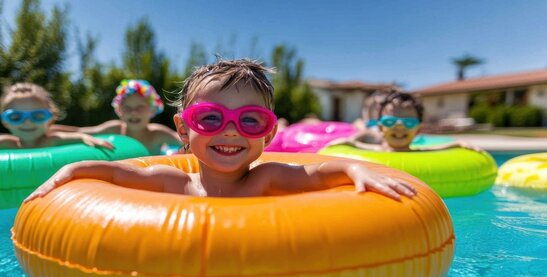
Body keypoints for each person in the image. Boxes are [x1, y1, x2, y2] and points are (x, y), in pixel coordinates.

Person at [26, 59, 415, 202]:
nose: (230, 133)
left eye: (249, 121)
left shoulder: (267, 178)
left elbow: (321, 170)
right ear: (182, 129)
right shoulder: (171, 183)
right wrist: (68, 171)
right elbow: (113, 172)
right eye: (210, 118)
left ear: (267, 134)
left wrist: (357, 169)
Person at [0, 83, 114, 156]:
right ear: (5, 121)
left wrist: (87, 138)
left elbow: (78, 137)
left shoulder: (52, 140)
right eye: (16, 117)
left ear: (50, 119)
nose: (27, 123)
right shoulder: (10, 143)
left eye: (37, 116)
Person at [50, 79, 182, 155]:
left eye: (140, 107)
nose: (133, 112)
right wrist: (48, 130)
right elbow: (80, 131)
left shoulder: (157, 133)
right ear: (119, 111)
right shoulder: (115, 129)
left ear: (152, 110)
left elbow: (187, 141)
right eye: (127, 108)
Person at [328, 91, 481, 152]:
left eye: (408, 123)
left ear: (418, 130)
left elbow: (438, 148)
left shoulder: (418, 152)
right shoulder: (376, 150)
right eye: (390, 122)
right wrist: (347, 141)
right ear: (381, 127)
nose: (399, 126)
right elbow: (354, 145)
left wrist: (459, 143)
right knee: (366, 131)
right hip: (375, 137)